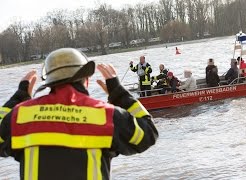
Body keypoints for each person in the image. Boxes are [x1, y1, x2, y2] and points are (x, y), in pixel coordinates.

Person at [0, 48, 158, 180]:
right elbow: (148, 134)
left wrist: (17, 98)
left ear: (49, 83)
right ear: (86, 79)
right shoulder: (106, 115)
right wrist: (120, 95)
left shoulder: (21, 115)